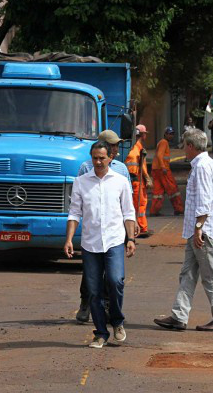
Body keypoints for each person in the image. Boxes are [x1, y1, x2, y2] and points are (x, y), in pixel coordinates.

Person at [153, 129, 213, 332]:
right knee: (187, 274)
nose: (183, 149)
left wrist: (198, 228)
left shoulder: (202, 166)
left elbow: (204, 201)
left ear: (190, 146)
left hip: (201, 231)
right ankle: (179, 316)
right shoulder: (205, 164)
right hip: (196, 230)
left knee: (209, 276)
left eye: (184, 145)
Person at [64, 141, 137, 348]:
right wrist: (69, 239)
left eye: (102, 158)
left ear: (110, 158)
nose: (98, 162)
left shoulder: (120, 181)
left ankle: (117, 321)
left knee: (115, 281)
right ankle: (101, 333)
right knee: (94, 290)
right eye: (94, 158)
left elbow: (128, 212)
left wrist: (130, 239)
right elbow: (74, 213)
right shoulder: (81, 182)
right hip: (90, 243)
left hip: (114, 240)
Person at [76, 130, 132, 324]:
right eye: (112, 145)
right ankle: (86, 302)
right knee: (91, 275)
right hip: (93, 230)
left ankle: (109, 307)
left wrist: (131, 229)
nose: (116, 149)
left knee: (114, 276)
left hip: (115, 228)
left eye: (116, 146)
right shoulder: (85, 168)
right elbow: (80, 199)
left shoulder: (122, 170)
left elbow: (128, 200)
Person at [126, 124, 153, 237]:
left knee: (138, 204)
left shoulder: (136, 146)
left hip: (135, 179)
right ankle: (141, 227)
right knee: (139, 204)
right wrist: (147, 179)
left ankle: (140, 227)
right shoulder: (135, 147)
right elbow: (140, 165)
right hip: (135, 179)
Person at [151, 127, 185, 216]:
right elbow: (159, 155)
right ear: (165, 134)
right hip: (163, 170)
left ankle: (154, 211)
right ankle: (179, 209)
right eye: (169, 133)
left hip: (156, 170)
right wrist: (163, 167)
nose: (171, 135)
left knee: (158, 191)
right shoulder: (164, 142)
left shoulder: (161, 142)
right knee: (173, 189)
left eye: (172, 134)